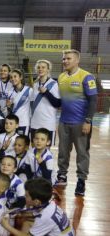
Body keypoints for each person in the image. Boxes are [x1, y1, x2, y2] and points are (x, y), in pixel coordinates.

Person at [56, 49, 98, 196]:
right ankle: (62, 174)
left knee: (82, 153)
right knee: (62, 151)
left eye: (68, 59)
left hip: (81, 123)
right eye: (64, 59)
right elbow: (61, 101)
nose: (65, 61)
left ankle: (81, 180)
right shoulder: (61, 77)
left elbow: (93, 101)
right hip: (63, 122)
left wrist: (88, 121)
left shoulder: (86, 77)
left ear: (77, 60)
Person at [1, 178, 74, 236]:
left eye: (26, 196)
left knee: (28, 223)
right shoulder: (49, 204)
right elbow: (33, 213)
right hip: (66, 233)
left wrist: (7, 226)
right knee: (27, 221)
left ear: (36, 201)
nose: (24, 197)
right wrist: (18, 212)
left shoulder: (44, 217)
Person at [30, 60, 61, 145]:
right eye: (39, 67)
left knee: (45, 152)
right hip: (35, 123)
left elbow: (58, 103)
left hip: (48, 123)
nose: (40, 69)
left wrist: (46, 92)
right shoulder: (35, 84)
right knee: (34, 151)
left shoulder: (54, 84)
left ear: (48, 70)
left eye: (43, 67)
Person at [7, 69, 33, 136]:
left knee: (23, 144)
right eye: (11, 77)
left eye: (15, 76)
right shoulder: (10, 92)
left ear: (20, 77)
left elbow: (33, 107)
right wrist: (9, 107)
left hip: (24, 123)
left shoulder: (29, 90)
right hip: (12, 124)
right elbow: (10, 110)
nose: (13, 79)